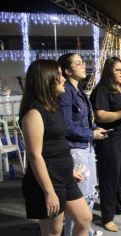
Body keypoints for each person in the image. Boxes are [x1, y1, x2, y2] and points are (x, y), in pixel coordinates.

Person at [20, 59, 92, 236]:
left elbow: (57, 143)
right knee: (53, 231)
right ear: (47, 80)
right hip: (48, 181)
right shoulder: (34, 113)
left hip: (63, 176)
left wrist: (68, 172)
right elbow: (35, 155)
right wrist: (49, 192)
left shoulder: (53, 107)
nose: (63, 80)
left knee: (84, 219)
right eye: (59, 76)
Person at [57, 53, 106, 236]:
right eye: (78, 63)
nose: (84, 66)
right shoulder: (66, 93)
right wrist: (91, 133)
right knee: (79, 197)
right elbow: (67, 126)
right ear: (68, 70)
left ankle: (84, 229)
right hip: (76, 149)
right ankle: (73, 232)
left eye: (83, 62)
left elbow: (83, 120)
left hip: (86, 146)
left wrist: (94, 128)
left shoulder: (77, 90)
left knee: (90, 193)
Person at [90, 57, 121, 232]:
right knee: (110, 177)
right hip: (111, 137)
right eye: (118, 70)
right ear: (109, 71)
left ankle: (120, 205)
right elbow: (100, 116)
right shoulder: (102, 89)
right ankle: (107, 217)